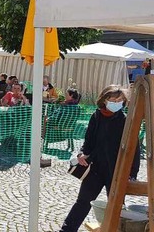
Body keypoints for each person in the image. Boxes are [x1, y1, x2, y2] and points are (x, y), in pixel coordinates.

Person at [59, 85, 140, 232]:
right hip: (95, 169)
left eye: (120, 100)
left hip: (116, 171)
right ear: (104, 99)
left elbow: (135, 149)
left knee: (117, 206)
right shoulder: (96, 116)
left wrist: (132, 173)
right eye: (113, 99)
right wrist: (81, 154)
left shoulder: (125, 120)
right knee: (83, 202)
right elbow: (88, 142)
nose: (117, 102)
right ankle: (67, 230)